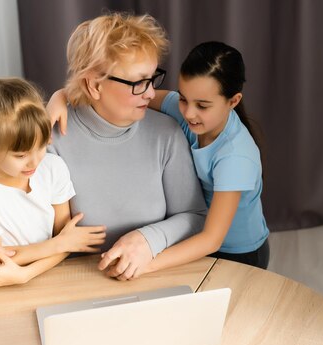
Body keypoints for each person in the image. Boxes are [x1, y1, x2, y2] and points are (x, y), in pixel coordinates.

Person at [0, 13, 206, 283]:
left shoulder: (167, 133)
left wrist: (148, 240)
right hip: (67, 281)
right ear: (94, 84)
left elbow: (195, 215)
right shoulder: (48, 134)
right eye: (138, 83)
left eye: (153, 78)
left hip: (151, 276)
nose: (151, 93)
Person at [49, 41, 269, 275]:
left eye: (202, 106)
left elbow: (211, 240)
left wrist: (146, 263)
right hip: (190, 243)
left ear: (233, 101)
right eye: (184, 98)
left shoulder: (236, 157)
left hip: (236, 252)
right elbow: (120, 95)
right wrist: (61, 96)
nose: (188, 113)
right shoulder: (182, 110)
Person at [0, 74, 106, 288]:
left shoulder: (53, 167)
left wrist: (28, 273)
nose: (34, 162)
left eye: (41, 146)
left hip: (50, 279)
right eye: (21, 155)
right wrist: (57, 244)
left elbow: (67, 241)